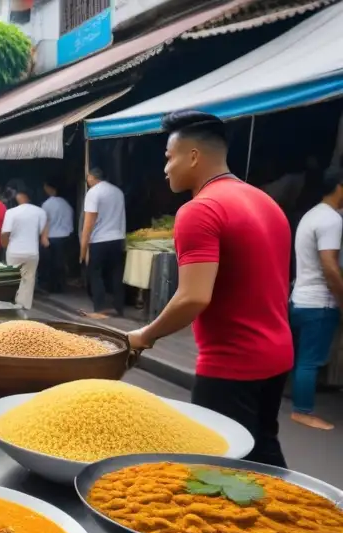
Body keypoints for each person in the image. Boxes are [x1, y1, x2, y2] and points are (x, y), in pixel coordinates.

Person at [128, 111, 293, 468]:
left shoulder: (199, 210)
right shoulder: (265, 202)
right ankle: (302, 518)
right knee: (263, 451)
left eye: (169, 158)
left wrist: (144, 335)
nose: (166, 169)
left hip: (231, 364)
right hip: (277, 354)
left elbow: (194, 296)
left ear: (193, 156)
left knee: (218, 469)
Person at [288, 168, 343, 430]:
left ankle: (296, 400)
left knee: (300, 357)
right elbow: (330, 266)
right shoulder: (332, 220)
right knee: (309, 360)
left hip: (300, 298)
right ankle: (303, 411)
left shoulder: (312, 215)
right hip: (319, 302)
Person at [80, 167, 127, 318]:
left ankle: (99, 307)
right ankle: (118, 307)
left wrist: (83, 248)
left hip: (99, 240)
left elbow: (89, 223)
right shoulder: (118, 192)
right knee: (116, 273)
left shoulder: (93, 193)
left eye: (88, 178)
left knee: (96, 273)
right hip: (118, 238)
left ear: (91, 177)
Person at [0, 187, 48, 309]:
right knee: (28, 279)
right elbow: (43, 232)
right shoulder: (40, 212)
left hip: (14, 251)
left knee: (13, 279)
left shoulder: (11, 212)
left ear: (21, 196)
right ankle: (24, 307)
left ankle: (12, 305)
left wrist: (5, 246)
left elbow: (5, 233)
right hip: (32, 252)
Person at [42, 179, 75, 292]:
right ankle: (62, 285)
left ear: (50, 188)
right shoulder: (66, 204)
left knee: (51, 264)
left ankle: (52, 287)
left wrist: (43, 237)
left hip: (52, 237)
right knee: (61, 262)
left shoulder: (47, 204)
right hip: (66, 236)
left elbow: (44, 222)